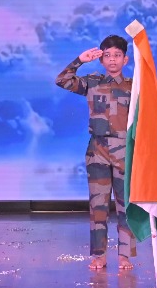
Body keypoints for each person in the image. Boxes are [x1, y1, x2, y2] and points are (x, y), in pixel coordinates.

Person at [57, 35, 136, 271]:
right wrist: (80, 61)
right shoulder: (92, 82)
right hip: (97, 151)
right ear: (101, 60)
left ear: (125, 59)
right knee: (98, 206)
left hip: (125, 152)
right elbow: (62, 80)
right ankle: (99, 255)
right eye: (108, 55)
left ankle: (125, 256)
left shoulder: (134, 86)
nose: (112, 60)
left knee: (126, 206)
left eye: (117, 55)